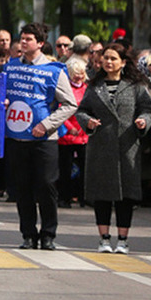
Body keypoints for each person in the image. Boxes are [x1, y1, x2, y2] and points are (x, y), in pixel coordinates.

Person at [2, 22, 78, 251]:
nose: (23, 42)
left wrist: (46, 125)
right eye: (22, 38)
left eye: (28, 39)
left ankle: (48, 234)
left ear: (40, 43)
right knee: (22, 188)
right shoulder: (11, 67)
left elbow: (70, 104)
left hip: (44, 139)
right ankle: (28, 234)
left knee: (46, 186)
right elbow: (0, 93)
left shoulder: (54, 70)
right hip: (17, 137)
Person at [74, 44, 151, 254]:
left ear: (123, 62)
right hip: (101, 147)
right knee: (102, 195)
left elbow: (147, 109)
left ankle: (123, 240)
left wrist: (143, 121)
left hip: (127, 147)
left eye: (113, 59)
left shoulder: (135, 86)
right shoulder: (94, 86)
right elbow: (81, 110)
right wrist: (87, 122)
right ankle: (104, 239)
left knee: (125, 195)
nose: (109, 62)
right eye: (106, 58)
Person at [57, 58, 90, 210]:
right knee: (65, 170)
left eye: (81, 73)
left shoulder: (87, 89)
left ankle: (85, 197)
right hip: (67, 136)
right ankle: (64, 197)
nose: (79, 76)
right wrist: (69, 127)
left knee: (85, 169)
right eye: (76, 73)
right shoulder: (65, 89)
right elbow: (61, 109)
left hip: (84, 135)